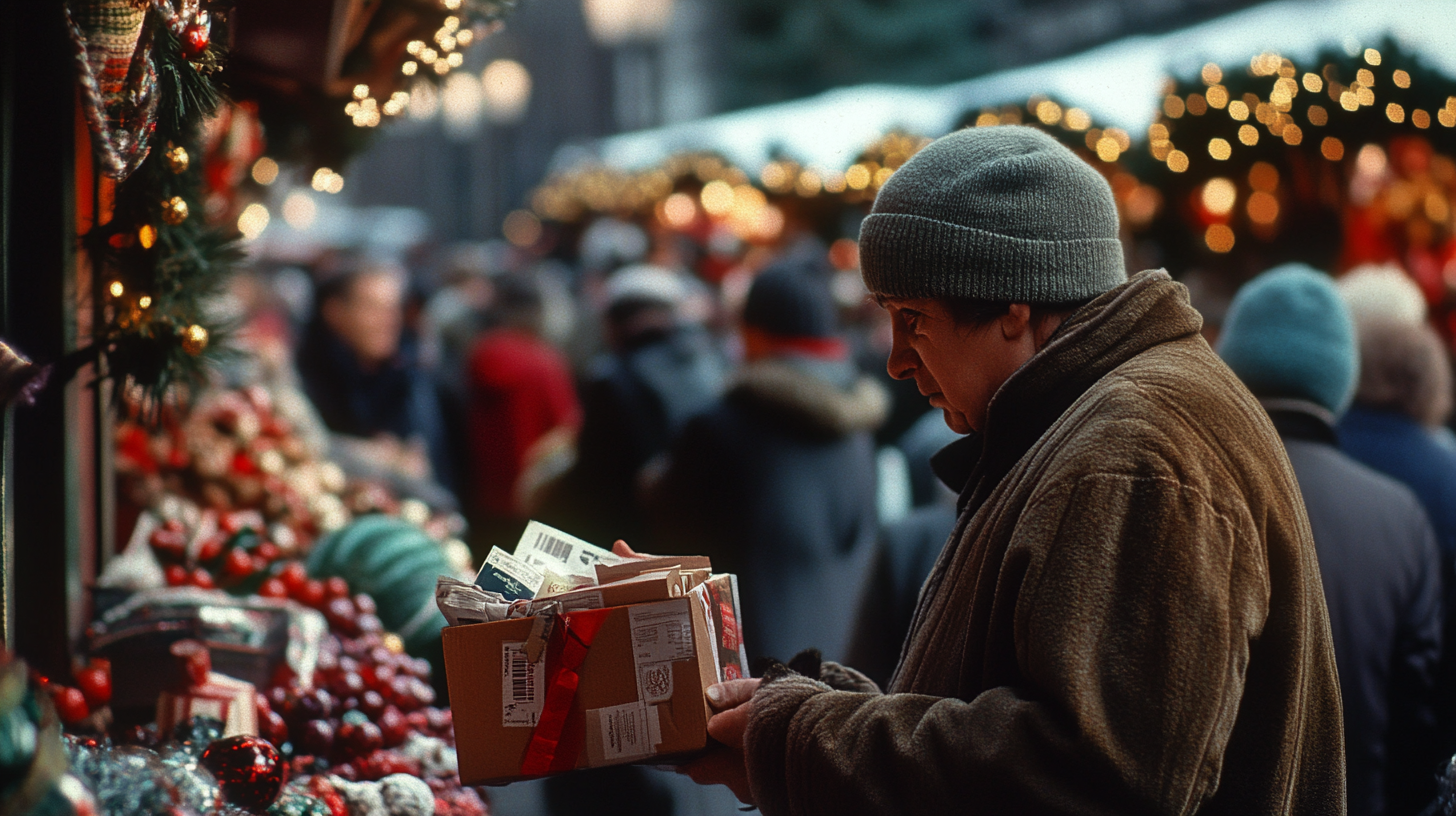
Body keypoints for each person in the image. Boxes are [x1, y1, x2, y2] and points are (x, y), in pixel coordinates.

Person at [682, 125, 1344, 814]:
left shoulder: (1134, 454)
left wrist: (805, 736)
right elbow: (999, 710)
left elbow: (1087, 780)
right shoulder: (1093, 422)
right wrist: (797, 727)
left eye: (913, 318)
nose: (897, 360)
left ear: (1014, 306)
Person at [1219, 264, 1443, 816]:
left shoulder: (1187, 486)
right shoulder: (1398, 515)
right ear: (1341, 376)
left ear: (1230, 363)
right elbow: (1417, 716)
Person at [647, 262, 886, 665]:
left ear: (754, 334)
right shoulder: (858, 430)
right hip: (841, 666)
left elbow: (670, 534)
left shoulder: (723, 425)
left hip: (745, 669)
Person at [538, 264, 728, 547]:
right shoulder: (714, 363)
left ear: (613, 322)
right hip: (705, 541)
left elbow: (593, 483)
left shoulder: (611, 378)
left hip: (632, 545)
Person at [295, 261, 453, 506]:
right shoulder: (300, 375)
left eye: (393, 308)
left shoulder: (410, 379)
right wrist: (376, 458)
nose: (389, 321)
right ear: (335, 312)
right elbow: (304, 451)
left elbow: (435, 472)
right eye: (372, 308)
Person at [464, 272, 581, 554]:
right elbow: (567, 429)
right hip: (531, 502)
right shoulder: (545, 361)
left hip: (481, 495)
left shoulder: (481, 352)